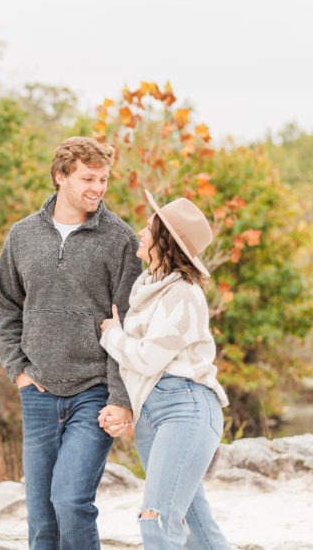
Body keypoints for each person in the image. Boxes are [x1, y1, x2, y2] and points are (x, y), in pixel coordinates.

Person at [0, 136, 143, 550]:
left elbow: (127, 322)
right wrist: (18, 371)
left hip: (93, 392)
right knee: (41, 518)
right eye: (88, 178)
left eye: (103, 179)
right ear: (61, 177)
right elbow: (5, 304)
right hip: (37, 391)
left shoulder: (120, 239)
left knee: (71, 501)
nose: (97, 188)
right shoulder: (22, 236)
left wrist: (119, 396)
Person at [98, 189, 231, 549]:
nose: (140, 233)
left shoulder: (183, 294)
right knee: (197, 528)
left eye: (148, 228)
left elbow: (146, 358)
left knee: (156, 521)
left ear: (165, 241)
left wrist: (113, 336)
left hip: (186, 408)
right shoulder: (147, 288)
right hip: (150, 414)